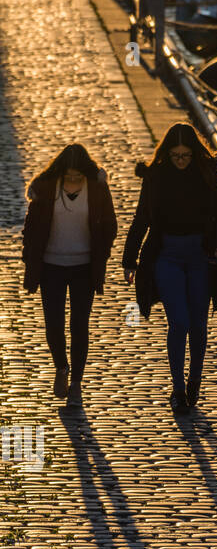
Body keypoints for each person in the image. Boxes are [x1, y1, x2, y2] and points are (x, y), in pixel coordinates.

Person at [122, 123, 217, 413]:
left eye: (185, 156)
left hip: (200, 256)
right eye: (176, 156)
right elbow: (141, 219)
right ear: (167, 154)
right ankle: (178, 389)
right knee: (179, 322)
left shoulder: (206, 174)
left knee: (198, 325)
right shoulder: (155, 176)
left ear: (194, 154)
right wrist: (129, 260)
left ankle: (195, 380)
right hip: (167, 256)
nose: (181, 161)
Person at [22, 144, 117, 404]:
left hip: (84, 267)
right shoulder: (46, 188)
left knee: (79, 325)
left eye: (78, 177)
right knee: (54, 324)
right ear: (61, 173)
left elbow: (110, 224)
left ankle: (76, 383)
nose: (74, 181)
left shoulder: (97, 188)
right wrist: (28, 257)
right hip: (51, 266)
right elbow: (31, 228)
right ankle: (61, 367)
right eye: (69, 177)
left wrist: (102, 254)